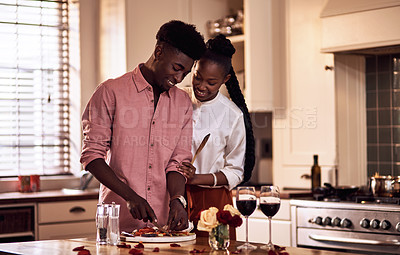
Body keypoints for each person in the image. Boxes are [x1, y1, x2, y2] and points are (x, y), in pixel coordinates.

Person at [80, 20, 206, 232]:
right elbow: (92, 156)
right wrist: (130, 197)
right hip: (117, 225)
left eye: (184, 74)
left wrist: (177, 200)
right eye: (176, 68)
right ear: (158, 52)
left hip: (163, 227)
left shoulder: (183, 103)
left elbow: (178, 162)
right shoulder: (111, 92)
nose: (178, 78)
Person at [179, 34, 255, 239]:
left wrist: (196, 178)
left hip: (212, 200)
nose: (201, 86)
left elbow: (236, 171)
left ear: (225, 80)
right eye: (197, 76)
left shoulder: (232, 115)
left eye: (211, 82)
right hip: (175, 196)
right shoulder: (178, 98)